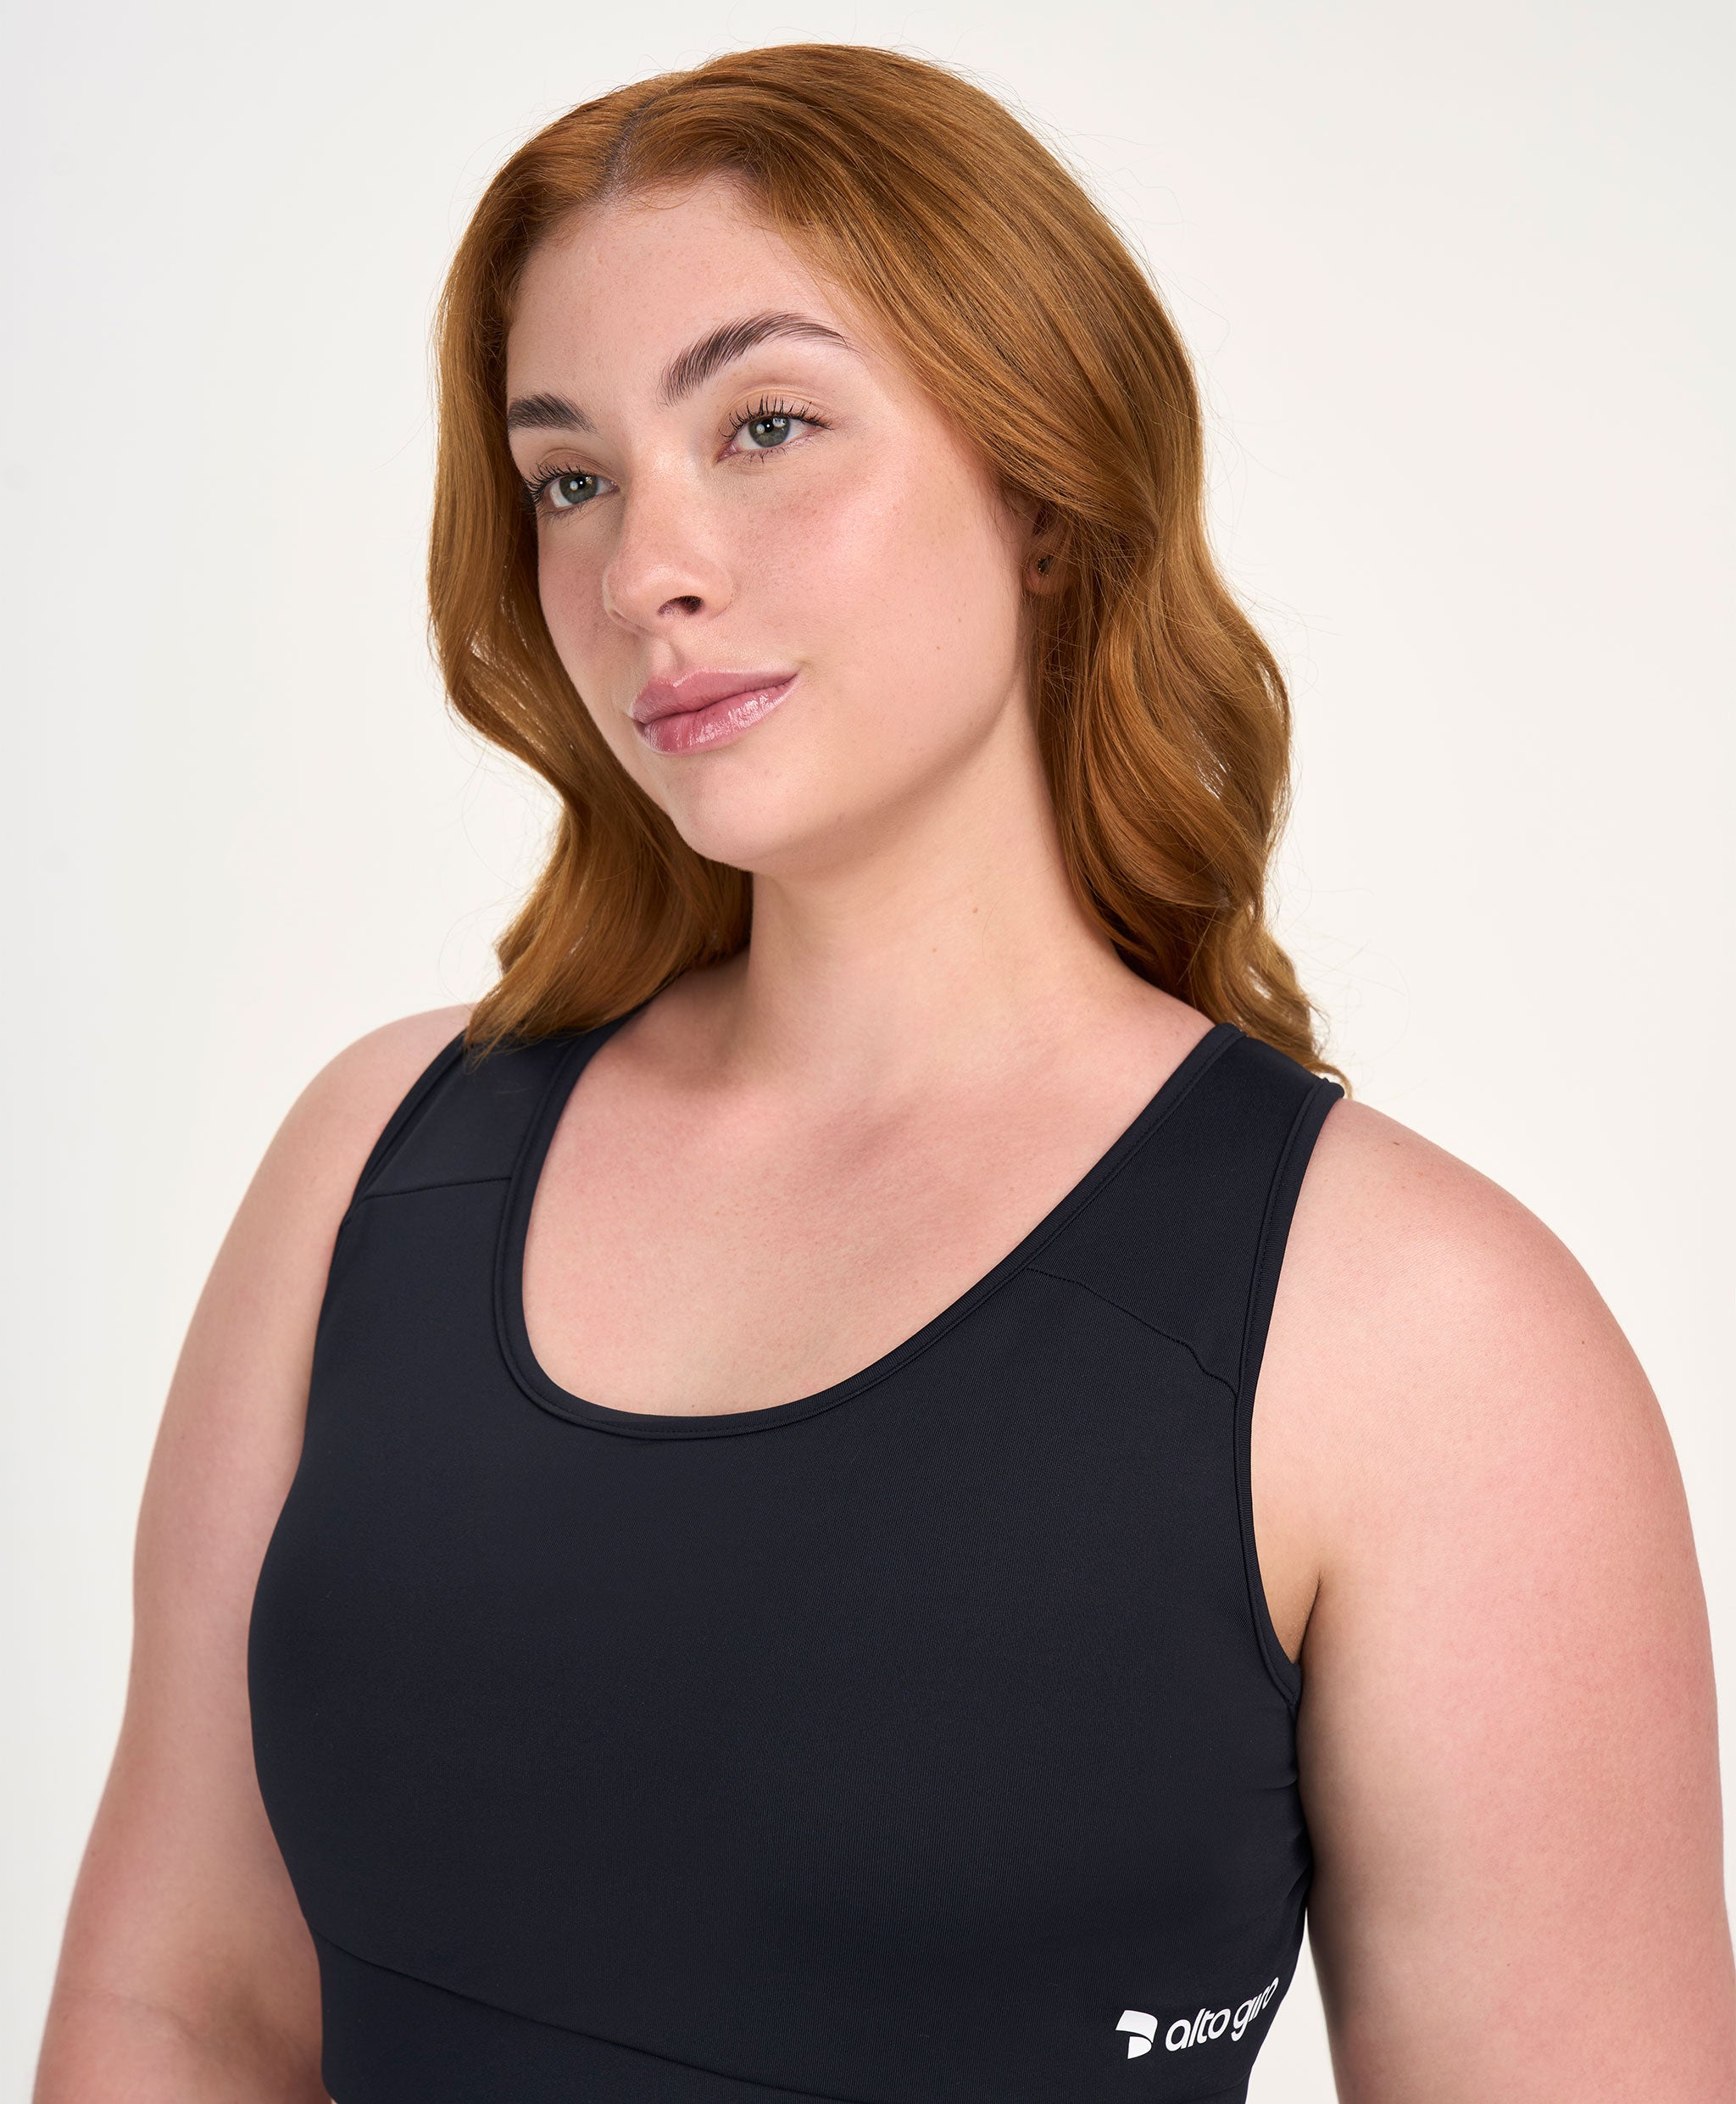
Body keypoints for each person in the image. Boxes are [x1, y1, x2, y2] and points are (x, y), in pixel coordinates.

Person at [33, 42, 1735, 2104]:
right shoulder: (376, 1167)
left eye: (764, 425)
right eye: (570, 478)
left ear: (1043, 486)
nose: (643, 568)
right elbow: (183, 2010)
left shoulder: (1421, 1335)